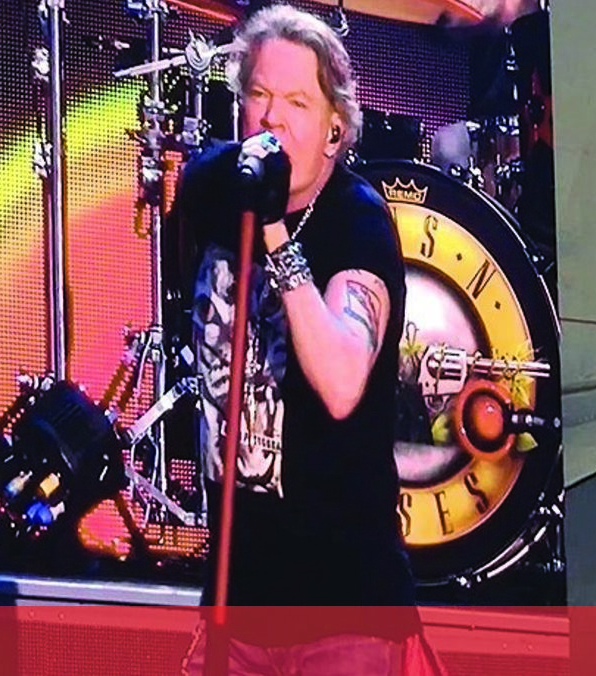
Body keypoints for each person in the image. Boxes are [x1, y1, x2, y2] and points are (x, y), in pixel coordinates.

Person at [168, 4, 427, 673]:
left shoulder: (357, 223)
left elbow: (341, 384)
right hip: (237, 602)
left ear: (335, 128)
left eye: (297, 102)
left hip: (342, 606)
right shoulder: (210, 192)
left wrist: (276, 231)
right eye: (259, 95)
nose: (272, 119)